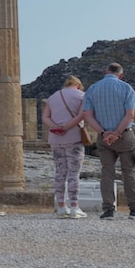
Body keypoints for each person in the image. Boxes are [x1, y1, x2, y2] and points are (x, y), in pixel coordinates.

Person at [83, 62, 135, 219]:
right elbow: (130, 115)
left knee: (107, 172)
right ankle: (134, 209)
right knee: (130, 172)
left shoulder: (92, 89)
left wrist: (104, 132)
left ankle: (108, 210)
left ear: (105, 71)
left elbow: (88, 116)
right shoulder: (126, 88)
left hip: (103, 137)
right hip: (125, 135)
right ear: (120, 75)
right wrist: (116, 132)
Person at [43, 75, 88, 218]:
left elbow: (45, 117)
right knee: (73, 174)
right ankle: (74, 206)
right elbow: (82, 115)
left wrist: (56, 127)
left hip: (55, 139)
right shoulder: (82, 96)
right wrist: (67, 127)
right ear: (78, 86)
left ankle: (61, 206)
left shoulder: (53, 97)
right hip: (73, 137)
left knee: (60, 173)